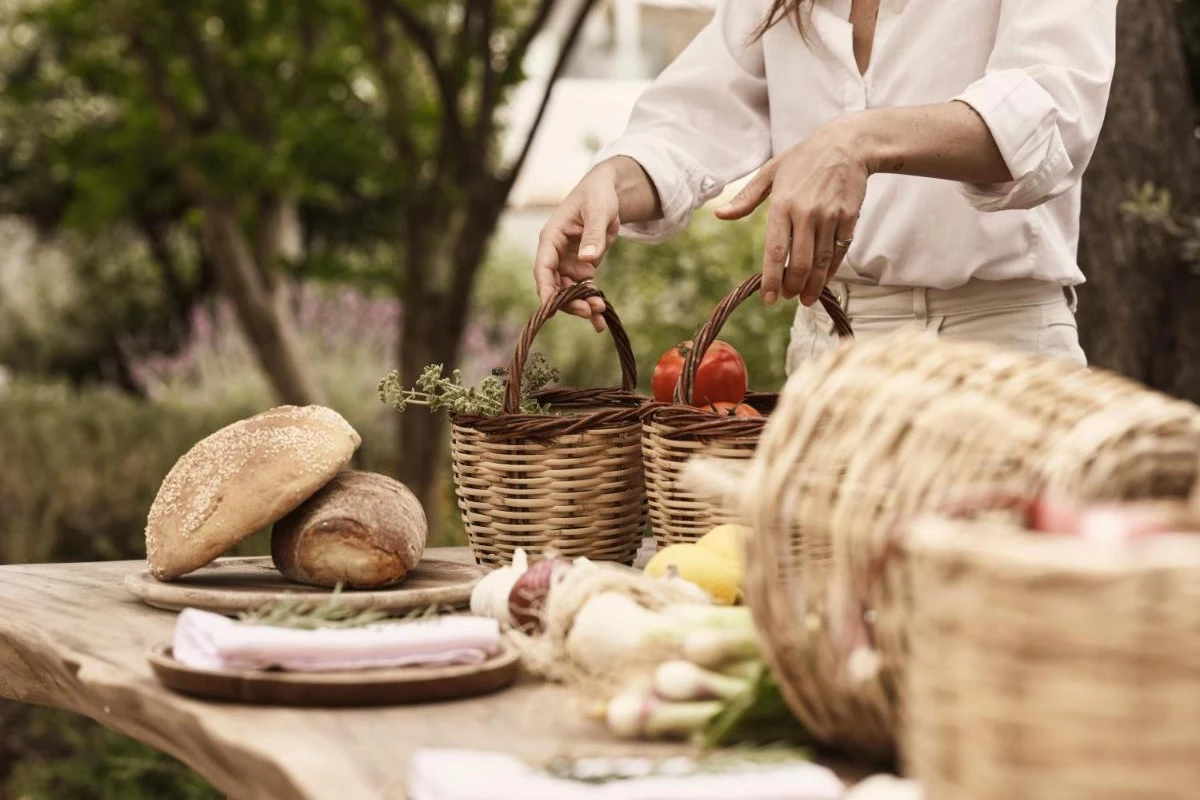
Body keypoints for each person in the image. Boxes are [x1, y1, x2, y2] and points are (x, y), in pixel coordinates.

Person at [532, 0, 1118, 370]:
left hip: (997, 357)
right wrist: (612, 179)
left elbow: (1052, 114)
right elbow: (696, 117)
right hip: (827, 358)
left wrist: (856, 142)